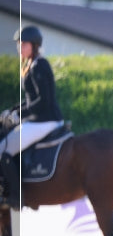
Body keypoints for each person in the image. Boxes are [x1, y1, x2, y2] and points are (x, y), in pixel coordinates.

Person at [0, 26, 65, 207]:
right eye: (18, 44)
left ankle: (17, 195)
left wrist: (20, 114)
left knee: (3, 150)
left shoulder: (39, 65)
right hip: (38, 119)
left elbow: (44, 100)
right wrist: (12, 111)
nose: (19, 47)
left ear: (34, 45)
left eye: (24, 44)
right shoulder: (30, 64)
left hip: (46, 121)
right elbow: (31, 99)